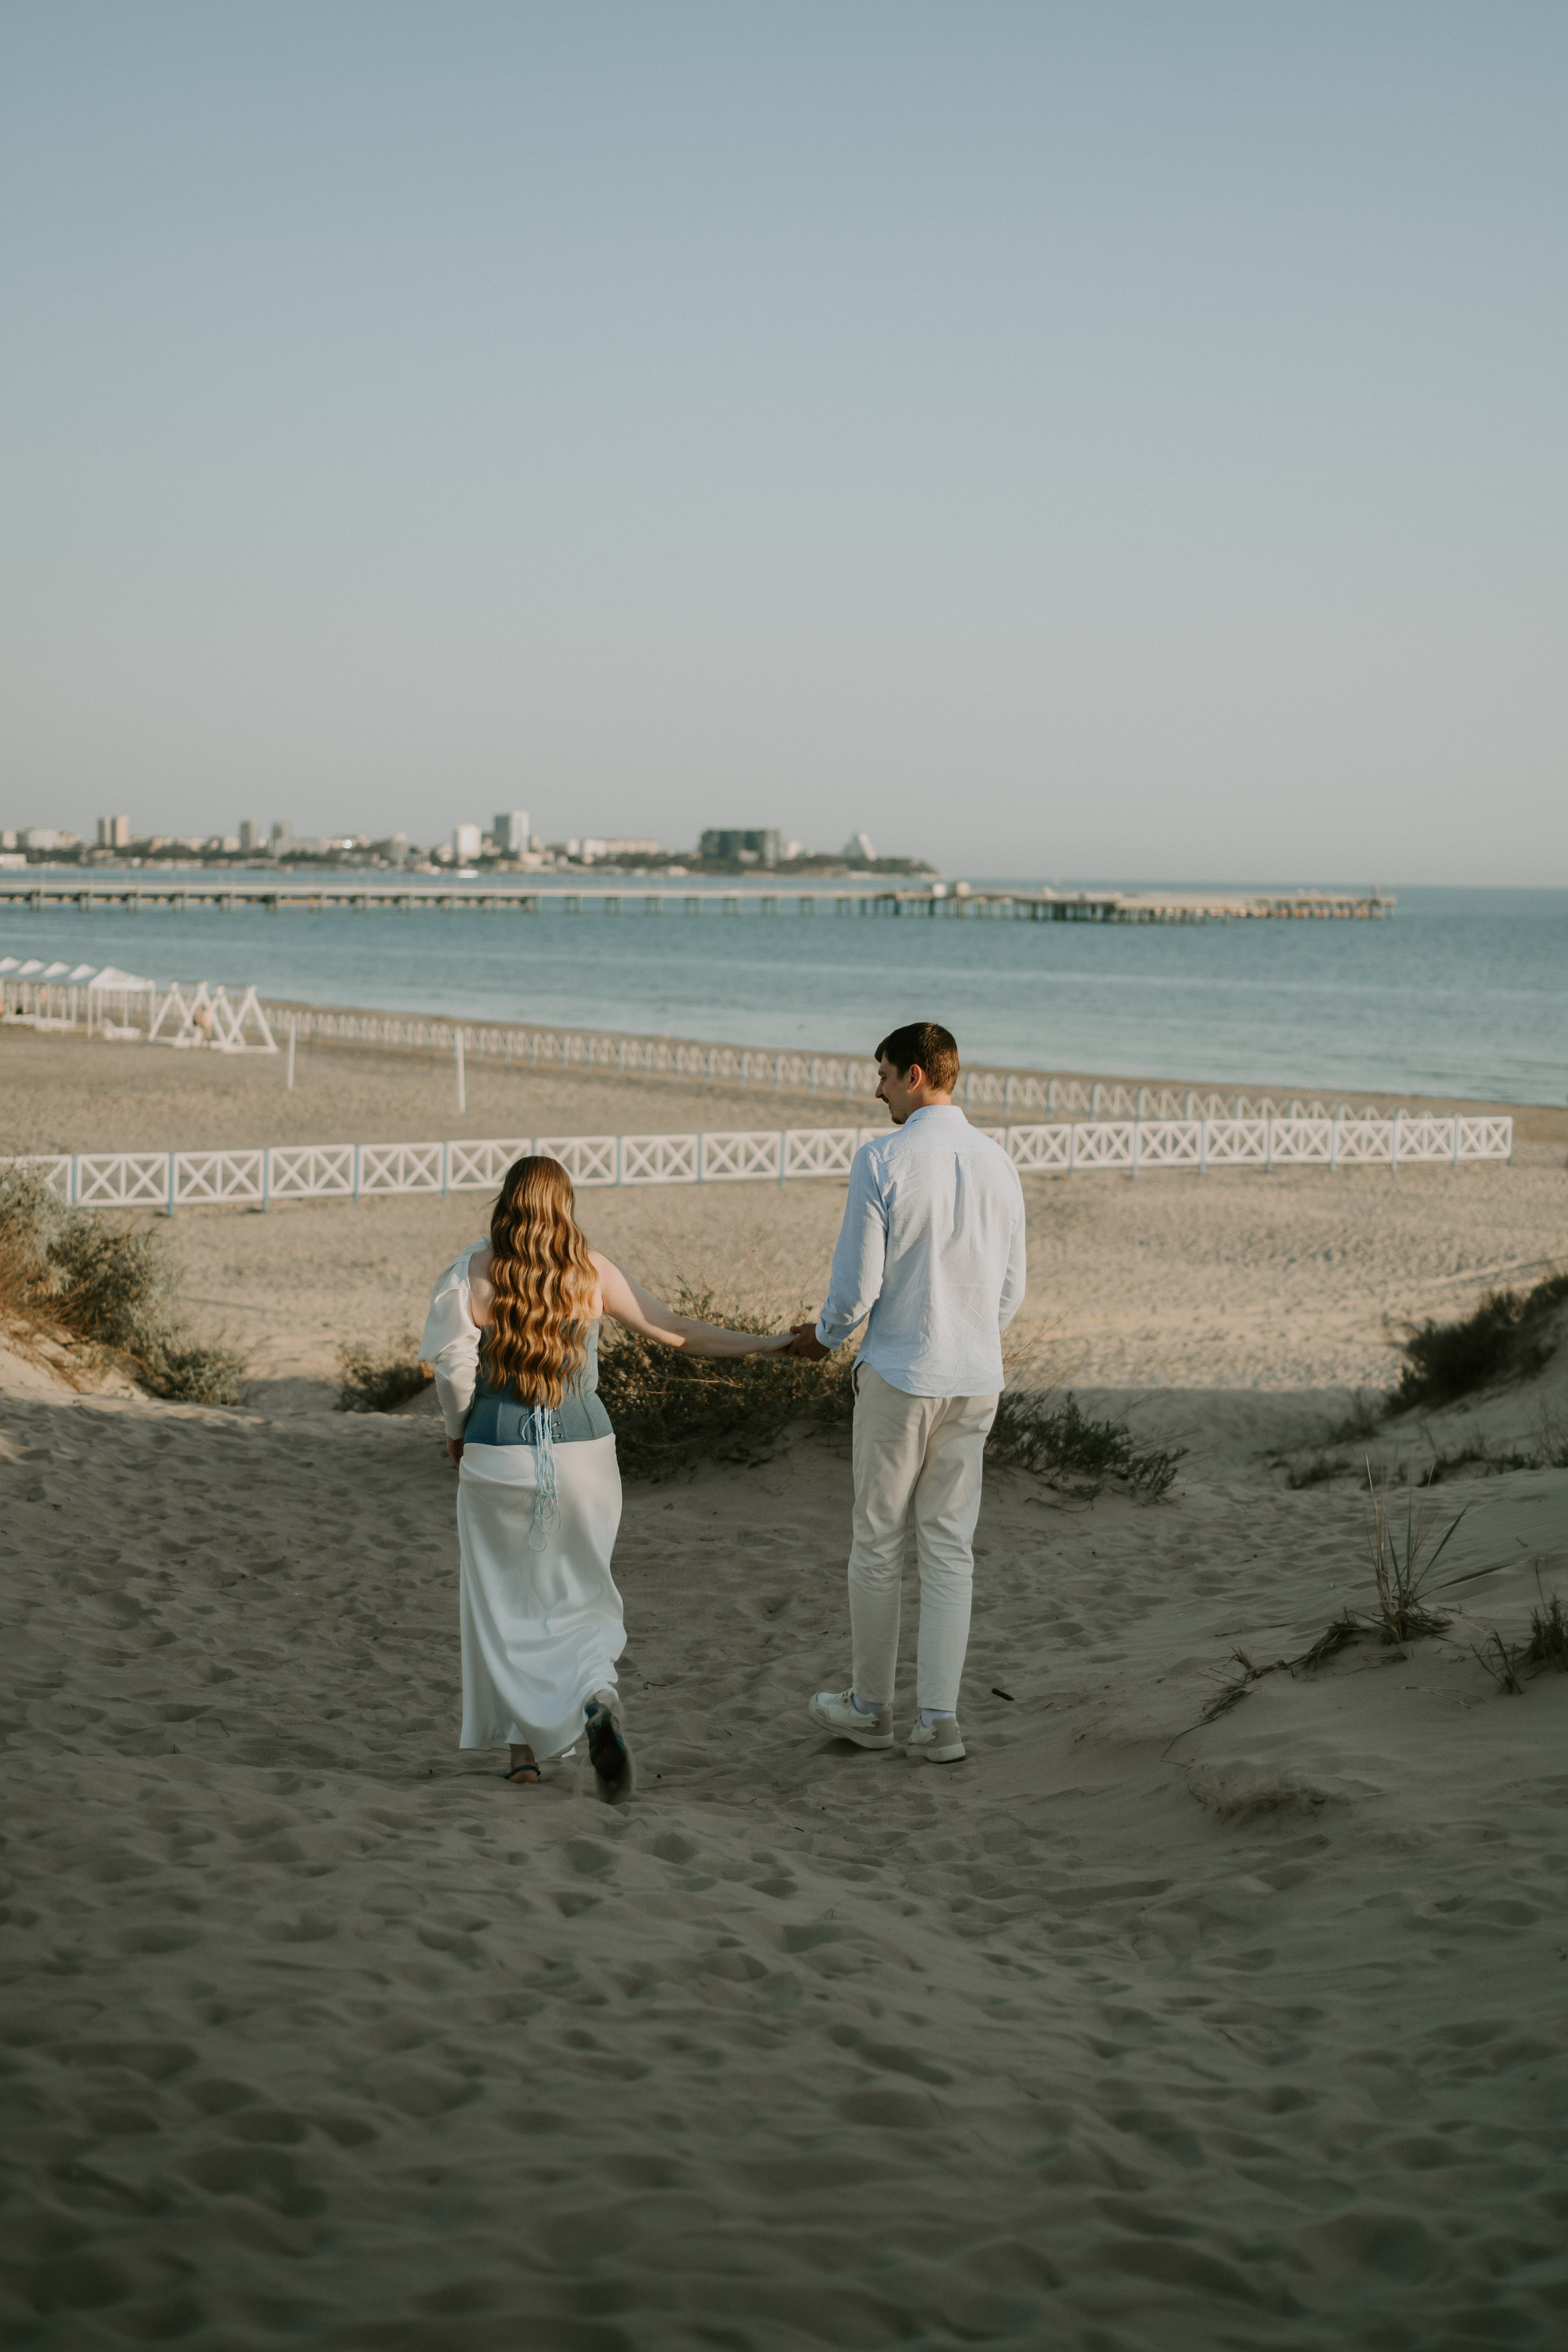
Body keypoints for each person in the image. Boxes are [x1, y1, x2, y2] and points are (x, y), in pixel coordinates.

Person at [420, 1154, 790, 1796]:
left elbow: (453, 1368)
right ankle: (595, 1694)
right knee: (580, 1595)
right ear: (566, 1208)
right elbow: (675, 1331)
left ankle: (523, 1756)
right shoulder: (591, 1272)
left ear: (505, 1203)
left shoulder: (469, 1275)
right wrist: (772, 1345)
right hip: (585, 1454)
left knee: (506, 1605)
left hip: (497, 1453)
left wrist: (456, 1436)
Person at [787, 1020, 1025, 1764]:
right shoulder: (999, 1161)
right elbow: (1011, 1289)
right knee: (950, 1547)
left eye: (885, 1073)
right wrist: (973, 1334)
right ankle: (940, 1722)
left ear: (917, 1075)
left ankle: (869, 1707)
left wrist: (822, 1339)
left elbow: (856, 1288)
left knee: (878, 1541)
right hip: (975, 1375)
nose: (878, 1087)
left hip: (900, 1372)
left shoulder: (882, 1158)